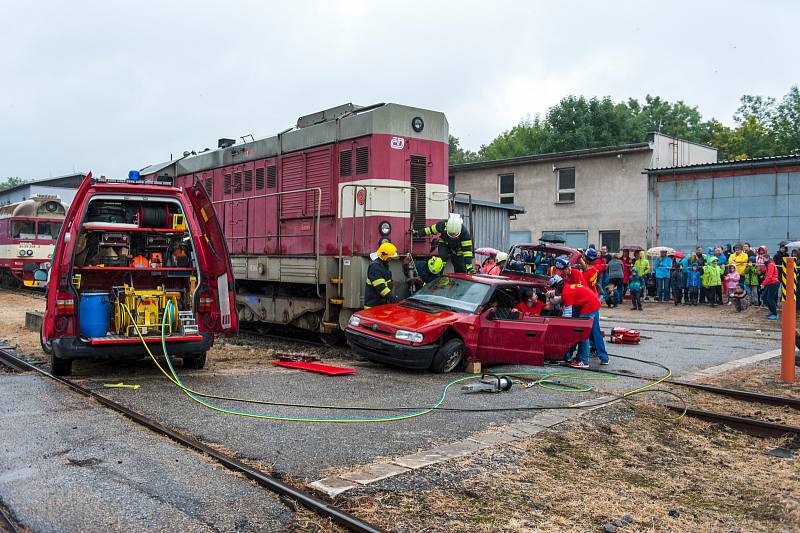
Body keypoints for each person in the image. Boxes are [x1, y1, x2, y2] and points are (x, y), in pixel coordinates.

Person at [548, 274, 609, 368]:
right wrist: (552, 297)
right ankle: (603, 357)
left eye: (554, 289)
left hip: (588, 306)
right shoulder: (568, 286)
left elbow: (567, 318)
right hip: (593, 302)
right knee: (594, 332)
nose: (554, 291)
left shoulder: (566, 292)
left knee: (581, 332)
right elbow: (565, 298)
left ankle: (583, 360)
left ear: (557, 287)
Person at [364, 242, 400, 308]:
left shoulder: (383, 265)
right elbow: (381, 287)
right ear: (384, 256)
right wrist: (393, 298)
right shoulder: (375, 267)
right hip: (373, 308)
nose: (391, 259)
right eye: (390, 257)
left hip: (380, 305)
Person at [762, 256, 779, 320]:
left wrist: (763, 284)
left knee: (770, 298)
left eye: (764, 259)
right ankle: (772, 311)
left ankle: (775, 314)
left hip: (773, 283)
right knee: (764, 297)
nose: (763, 260)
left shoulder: (770, 265)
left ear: (768, 258)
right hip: (770, 283)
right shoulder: (768, 265)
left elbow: (769, 275)